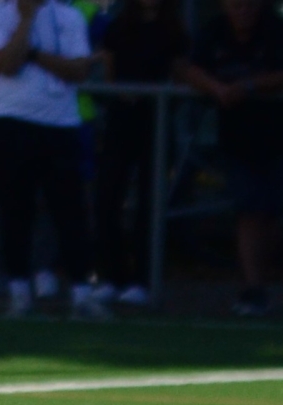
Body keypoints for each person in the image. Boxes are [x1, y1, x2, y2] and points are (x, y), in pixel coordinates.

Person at [0, 0, 103, 319]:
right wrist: (26, 20)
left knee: (70, 213)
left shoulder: (68, 15)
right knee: (15, 212)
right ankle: (19, 293)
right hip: (12, 122)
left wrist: (36, 55)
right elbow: (7, 64)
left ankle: (81, 295)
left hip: (62, 124)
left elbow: (79, 70)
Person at [177, 0, 283, 317]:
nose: (241, 9)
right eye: (235, 3)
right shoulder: (214, 32)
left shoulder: (278, 31)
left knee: (270, 212)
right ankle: (252, 287)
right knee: (248, 209)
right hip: (236, 140)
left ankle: (261, 282)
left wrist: (249, 86)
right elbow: (188, 69)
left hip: (279, 138)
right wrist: (217, 88)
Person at [90, 0, 186, 307]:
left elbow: (180, 75)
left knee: (149, 204)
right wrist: (120, 94)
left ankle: (143, 280)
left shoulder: (174, 30)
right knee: (107, 197)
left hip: (155, 125)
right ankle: (111, 275)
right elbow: (109, 71)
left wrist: (156, 100)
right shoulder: (119, 27)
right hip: (120, 123)